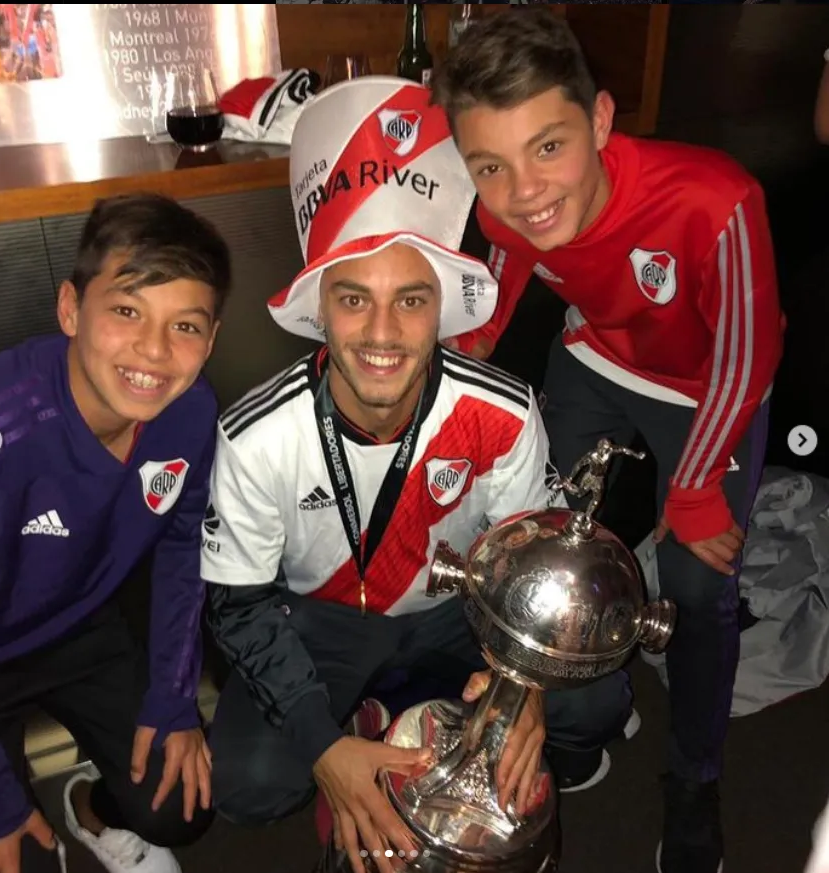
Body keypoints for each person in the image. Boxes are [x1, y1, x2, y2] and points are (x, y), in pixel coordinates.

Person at [202, 76, 636, 873]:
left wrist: (525, 683)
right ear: (320, 310)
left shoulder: (502, 409)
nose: (382, 332)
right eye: (353, 299)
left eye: (411, 299)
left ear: (443, 308)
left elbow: (530, 565)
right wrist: (324, 746)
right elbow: (236, 605)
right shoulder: (256, 433)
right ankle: (380, 719)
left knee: (598, 702)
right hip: (320, 624)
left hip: (457, 614)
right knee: (248, 784)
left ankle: (404, 713)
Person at [431, 9, 786, 873]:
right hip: (596, 355)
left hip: (712, 383)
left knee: (699, 590)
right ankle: (582, 704)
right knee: (543, 535)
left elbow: (753, 348)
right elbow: (512, 264)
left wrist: (695, 488)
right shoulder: (506, 205)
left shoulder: (716, 197)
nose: (522, 191)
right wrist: (471, 357)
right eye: (492, 165)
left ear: (598, 121)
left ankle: (694, 778)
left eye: (548, 147)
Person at [0, 193, 231, 873]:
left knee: (182, 803)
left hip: (83, 627)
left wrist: (174, 699)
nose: (154, 349)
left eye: (186, 325)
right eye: (126, 310)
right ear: (70, 309)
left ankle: (89, 805)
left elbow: (180, 548)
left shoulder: (190, 410)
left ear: (212, 338)